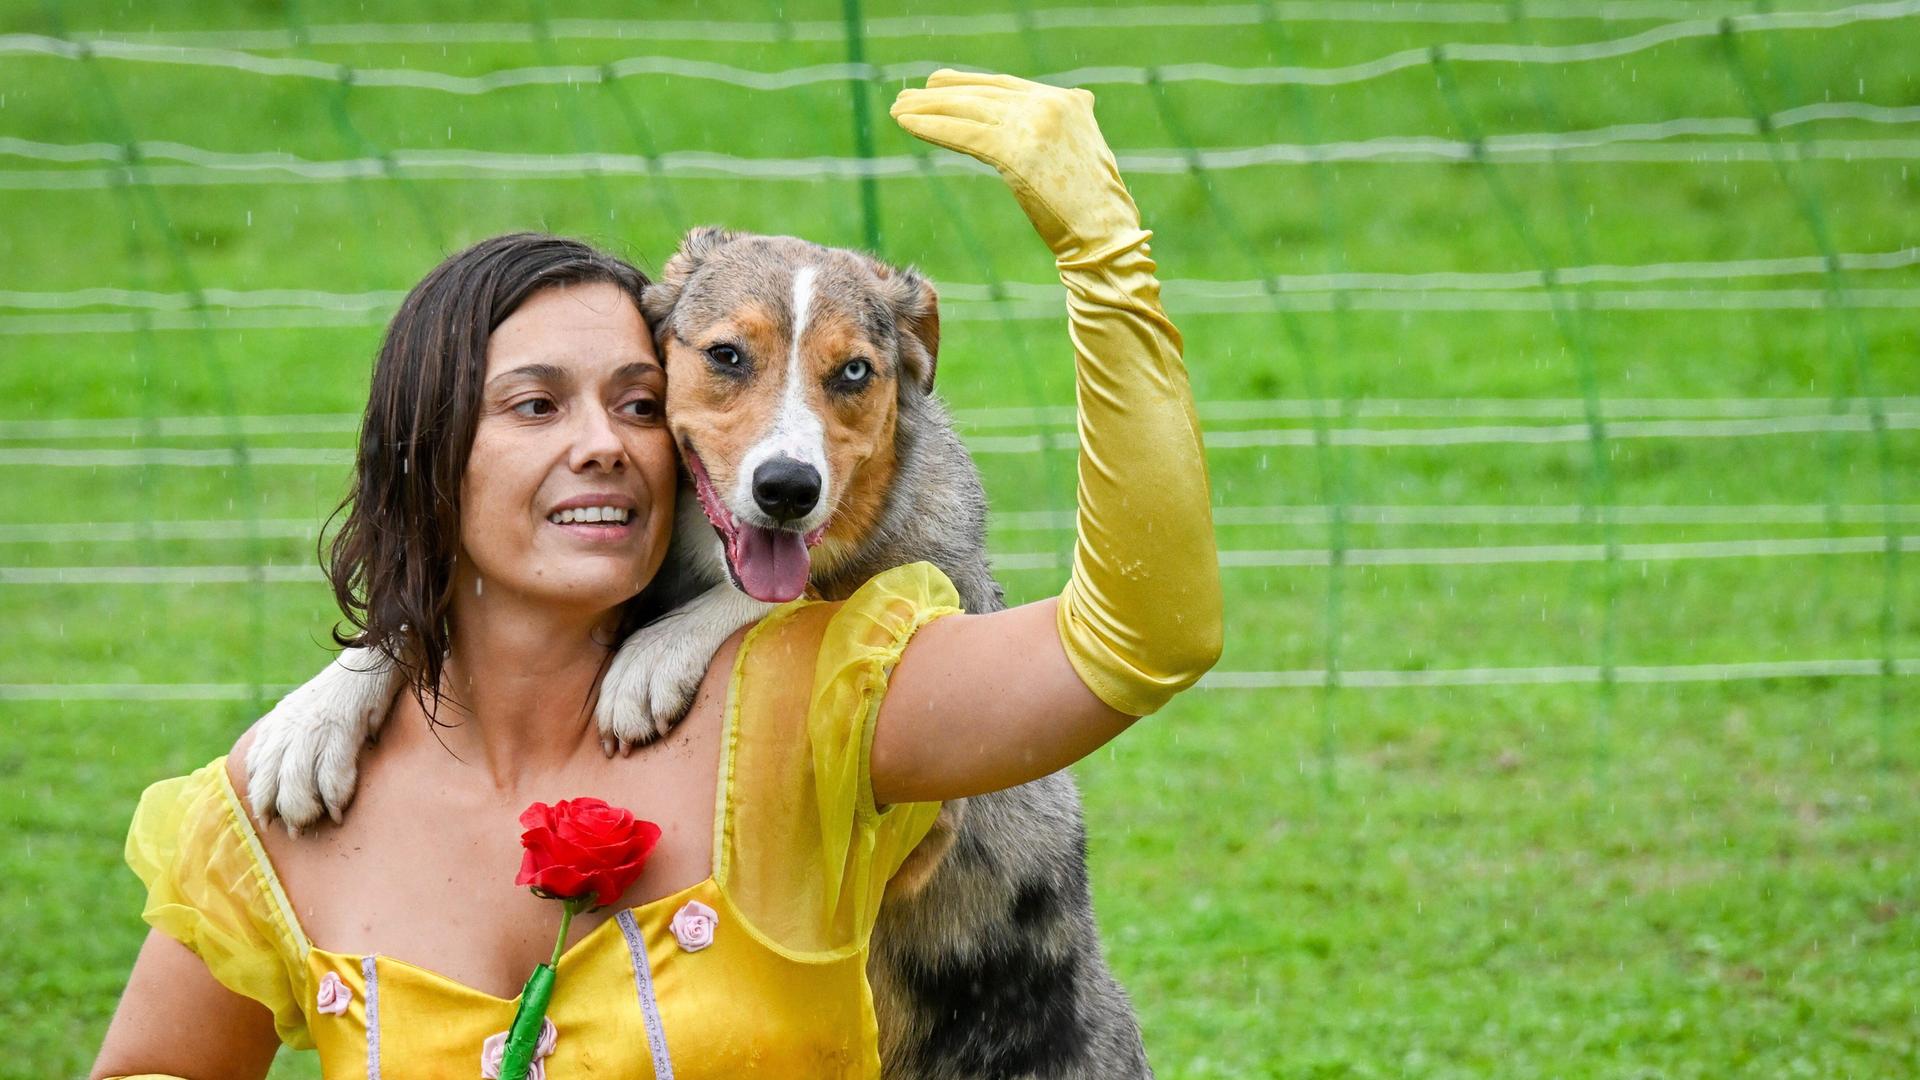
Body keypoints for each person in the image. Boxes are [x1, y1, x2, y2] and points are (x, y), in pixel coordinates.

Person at [92, 71, 1221, 1079]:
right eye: (536, 405)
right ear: (425, 450)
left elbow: (1144, 640)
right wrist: (374, 659)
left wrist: (1107, 267)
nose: (607, 443)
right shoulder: (287, 783)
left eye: (636, 403)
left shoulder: (822, 690)